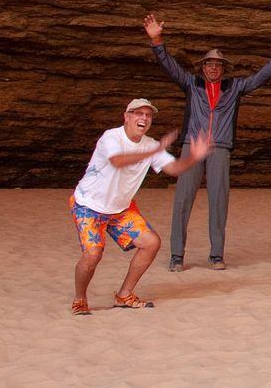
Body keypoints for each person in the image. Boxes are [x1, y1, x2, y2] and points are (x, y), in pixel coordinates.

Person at [142, 15, 271, 272]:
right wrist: (157, 40)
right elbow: (169, 65)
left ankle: (216, 255)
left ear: (224, 69)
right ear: (203, 67)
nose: (213, 68)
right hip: (193, 144)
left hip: (220, 146)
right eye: (209, 64)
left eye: (218, 65)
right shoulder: (192, 83)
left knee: (219, 200)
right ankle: (177, 255)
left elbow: (259, 78)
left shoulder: (234, 87)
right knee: (183, 199)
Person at [69, 99, 212, 314]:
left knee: (151, 243)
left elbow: (173, 168)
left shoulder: (151, 145)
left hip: (120, 209)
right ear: (126, 116)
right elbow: (118, 160)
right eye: (138, 113)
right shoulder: (112, 137)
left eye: (148, 115)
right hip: (88, 205)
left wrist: (194, 157)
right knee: (92, 254)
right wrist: (155, 150)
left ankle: (124, 295)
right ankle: (80, 299)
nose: (144, 118)